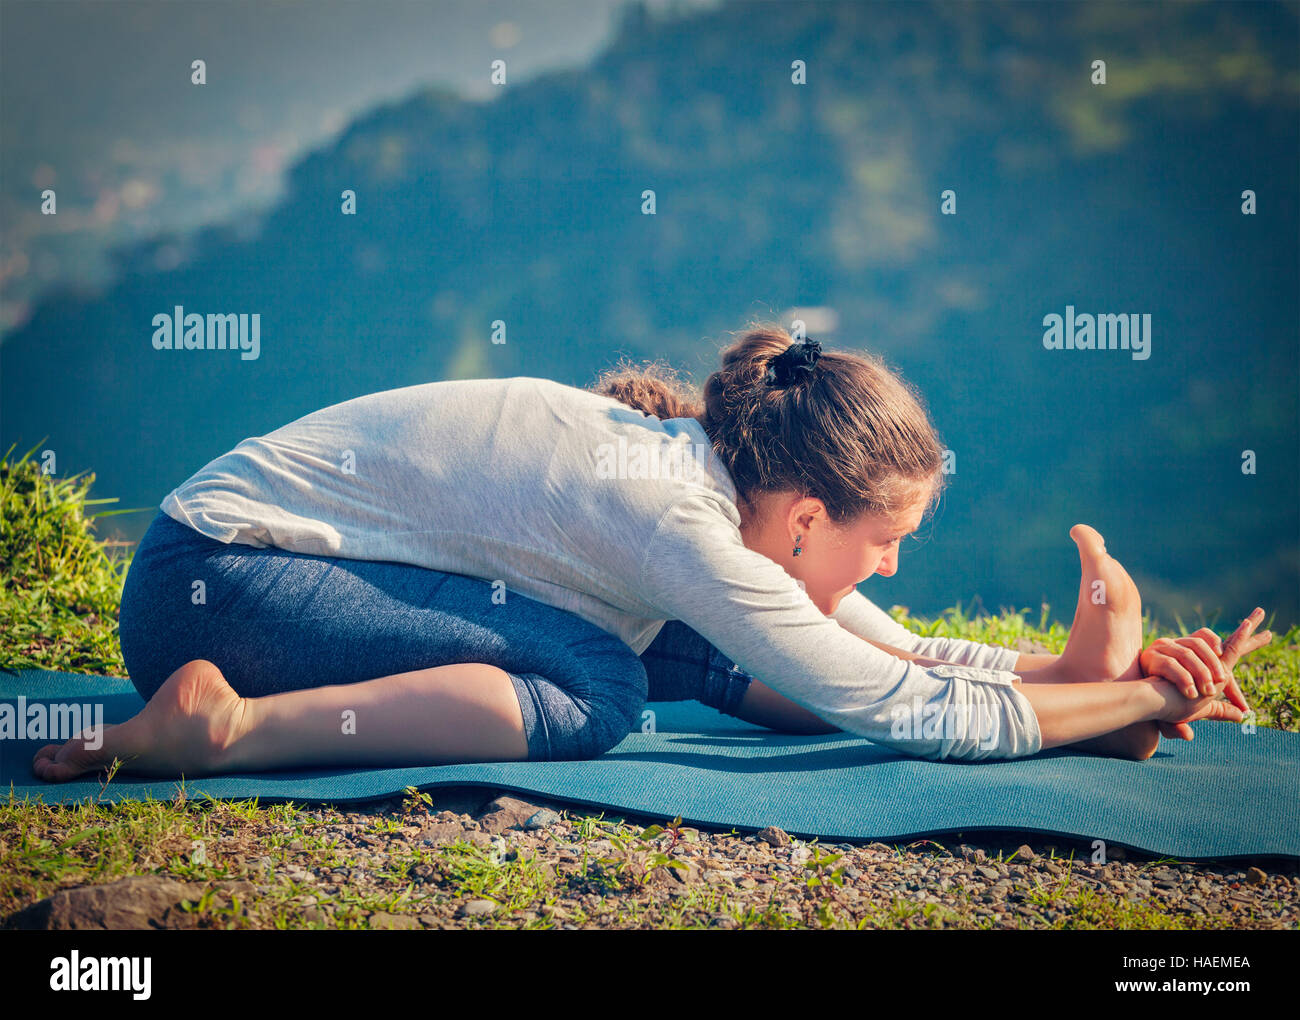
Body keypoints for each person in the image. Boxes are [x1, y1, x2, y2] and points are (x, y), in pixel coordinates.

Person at [32, 323, 1272, 781]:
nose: (890, 567)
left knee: (672, 644)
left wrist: (1074, 686)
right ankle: (222, 731)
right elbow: (901, 711)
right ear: (799, 519)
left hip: (246, 568)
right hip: (222, 584)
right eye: (882, 540)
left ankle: (1082, 707)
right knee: (604, 687)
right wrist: (1126, 694)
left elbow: (884, 653)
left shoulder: (704, 480)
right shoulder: (681, 522)